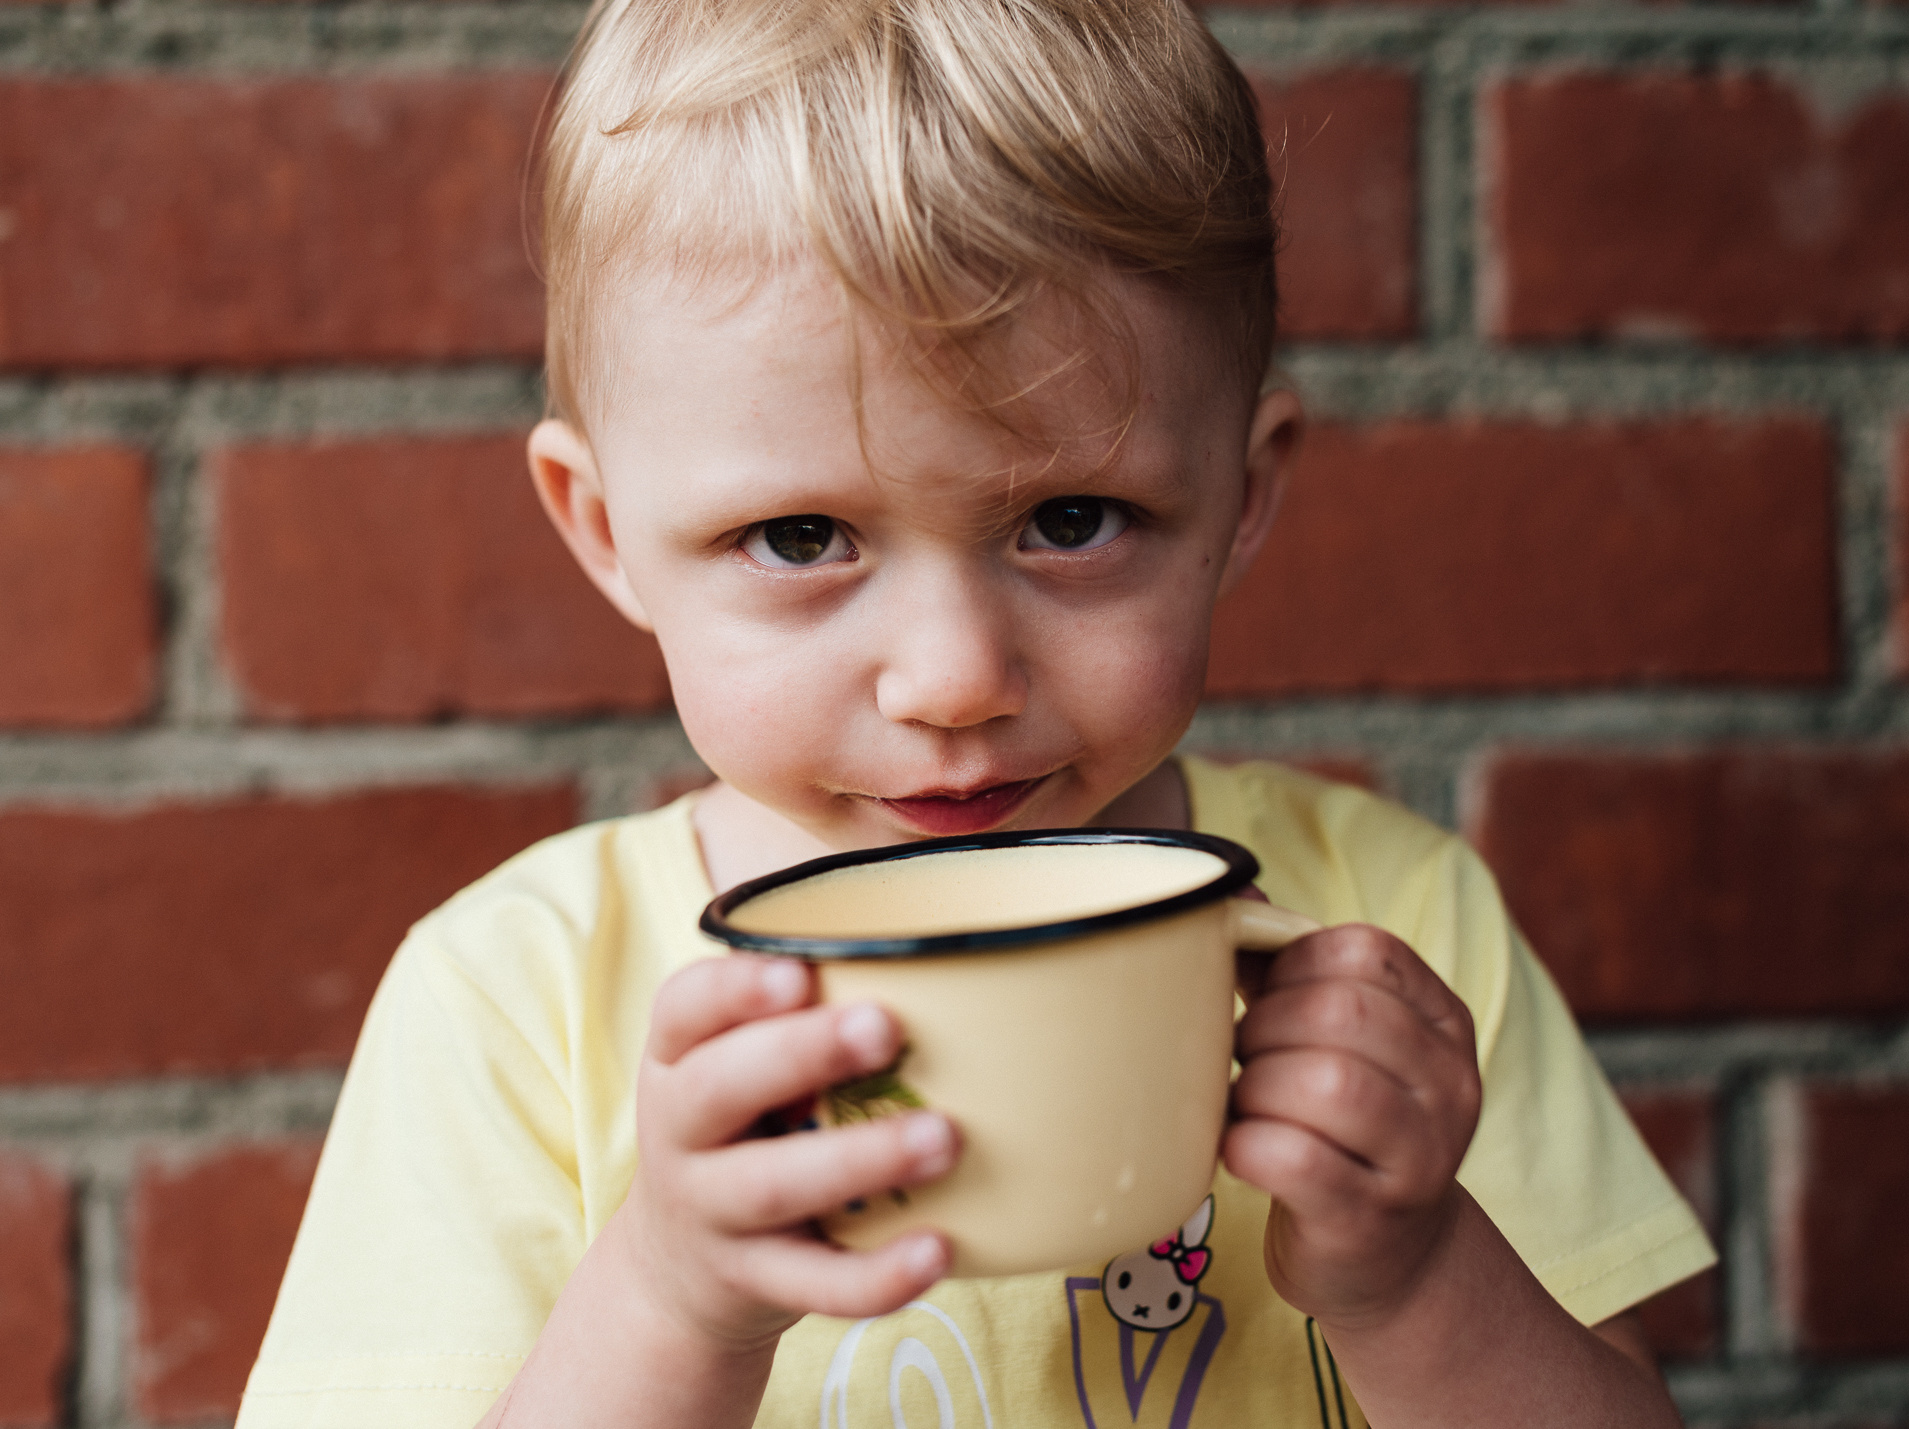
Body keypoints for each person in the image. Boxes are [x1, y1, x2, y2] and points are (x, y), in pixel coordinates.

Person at [239, 0, 1715, 1424]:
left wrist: (1419, 1272)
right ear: (606, 529)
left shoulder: (1392, 926)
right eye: (803, 537)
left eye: (1072, 520)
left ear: (1241, 495)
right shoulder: (516, 997)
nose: (953, 678)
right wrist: (666, 1303)